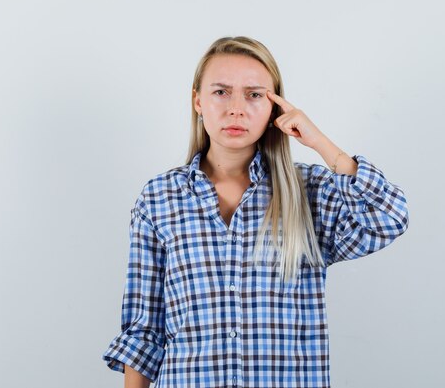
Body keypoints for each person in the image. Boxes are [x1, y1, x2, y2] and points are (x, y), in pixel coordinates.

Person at [101, 36, 409, 388]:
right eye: (221, 92)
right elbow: (144, 332)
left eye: (254, 94)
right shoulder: (160, 198)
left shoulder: (310, 193)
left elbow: (389, 217)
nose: (236, 108)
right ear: (197, 100)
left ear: (275, 107)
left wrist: (319, 141)